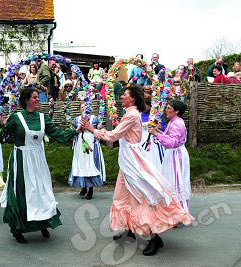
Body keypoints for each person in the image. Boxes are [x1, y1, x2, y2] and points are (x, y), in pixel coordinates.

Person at [81, 85, 193, 256]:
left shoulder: (132, 115)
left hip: (133, 162)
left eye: (124, 95)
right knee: (122, 196)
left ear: (132, 99)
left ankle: (154, 238)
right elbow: (123, 134)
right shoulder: (131, 114)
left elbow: (113, 136)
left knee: (141, 197)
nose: (121, 98)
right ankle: (130, 228)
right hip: (127, 161)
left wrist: (92, 129)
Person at [0, 84, 76, 244]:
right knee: (23, 194)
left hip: (38, 159)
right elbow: (1, 138)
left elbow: (58, 134)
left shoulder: (42, 117)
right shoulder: (16, 118)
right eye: (34, 97)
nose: (38, 99)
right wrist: (0, 125)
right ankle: (18, 228)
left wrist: (76, 131)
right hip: (21, 159)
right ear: (26, 100)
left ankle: (43, 223)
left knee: (41, 191)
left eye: (38, 97)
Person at [148, 100, 191, 213]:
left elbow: (171, 142)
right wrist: (159, 132)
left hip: (176, 155)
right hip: (173, 153)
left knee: (176, 183)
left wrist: (157, 134)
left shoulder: (176, 123)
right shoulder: (174, 121)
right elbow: (171, 139)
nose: (166, 110)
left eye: (169, 108)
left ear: (176, 111)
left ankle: (180, 212)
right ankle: (173, 210)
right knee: (171, 181)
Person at [68, 102, 105, 200]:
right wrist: (78, 129)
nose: (83, 108)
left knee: (90, 164)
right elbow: (74, 131)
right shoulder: (77, 119)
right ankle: (83, 187)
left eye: (85, 107)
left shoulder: (94, 118)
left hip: (91, 142)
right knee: (81, 163)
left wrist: (100, 127)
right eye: (81, 107)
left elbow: (99, 130)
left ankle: (91, 189)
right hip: (81, 143)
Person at [140, 94, 166, 170]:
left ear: (149, 105)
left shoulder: (156, 115)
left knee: (155, 163)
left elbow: (164, 129)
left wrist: (158, 127)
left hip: (154, 142)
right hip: (142, 141)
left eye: (143, 105)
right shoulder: (139, 114)